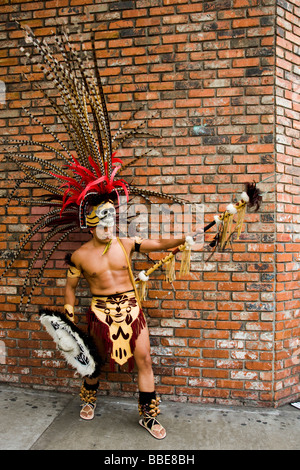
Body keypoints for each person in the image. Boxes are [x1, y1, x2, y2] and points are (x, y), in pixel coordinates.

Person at [63, 200, 189, 440]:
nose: (108, 229)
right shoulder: (79, 256)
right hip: (100, 312)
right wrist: (68, 311)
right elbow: (70, 288)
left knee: (145, 359)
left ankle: (148, 415)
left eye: (111, 224)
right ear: (91, 228)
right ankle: (89, 400)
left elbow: (160, 243)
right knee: (95, 360)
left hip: (131, 309)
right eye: (102, 225)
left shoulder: (127, 243)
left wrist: (184, 239)